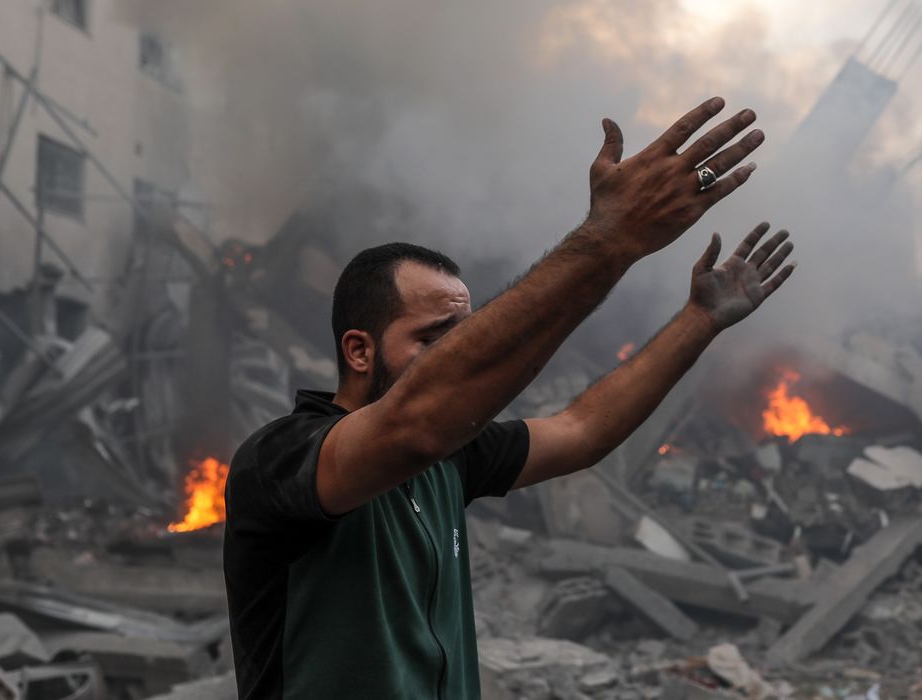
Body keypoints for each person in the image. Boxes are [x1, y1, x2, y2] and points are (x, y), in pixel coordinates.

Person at [223, 96, 797, 699]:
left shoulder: (450, 459)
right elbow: (410, 426)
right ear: (359, 351)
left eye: (466, 338)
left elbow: (582, 430)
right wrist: (612, 239)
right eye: (434, 340)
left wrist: (698, 321)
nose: (462, 358)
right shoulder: (283, 460)